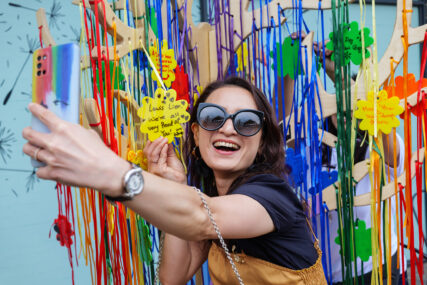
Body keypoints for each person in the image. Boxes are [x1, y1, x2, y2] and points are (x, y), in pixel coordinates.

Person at [22, 76, 327, 284]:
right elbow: (173, 277)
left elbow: (203, 216)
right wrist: (175, 187)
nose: (228, 129)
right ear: (196, 132)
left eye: (247, 122)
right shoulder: (213, 198)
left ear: (261, 142)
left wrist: (110, 171)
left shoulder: (271, 195)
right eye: (213, 117)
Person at [314, 42, 407, 285]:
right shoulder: (316, 142)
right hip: (325, 271)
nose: (347, 109)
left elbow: (392, 155)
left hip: (376, 267)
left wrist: (343, 76)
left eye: (356, 105)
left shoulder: (380, 140)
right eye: (340, 101)